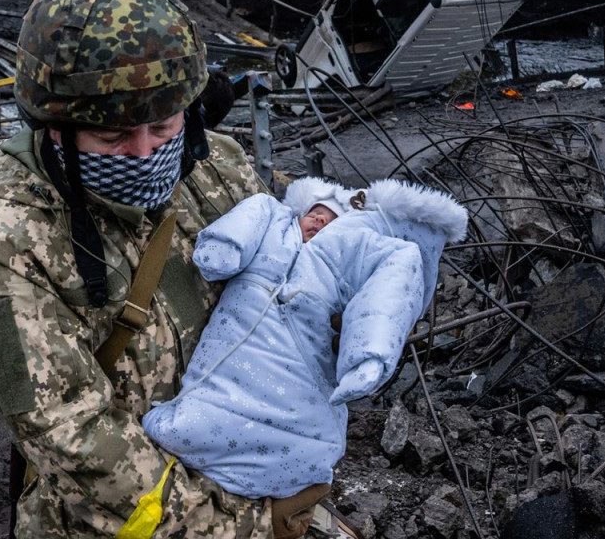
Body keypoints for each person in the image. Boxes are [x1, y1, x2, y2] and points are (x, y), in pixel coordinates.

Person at [0, 0, 346, 539]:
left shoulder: (215, 167)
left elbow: (289, 301)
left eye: (162, 127)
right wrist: (252, 526)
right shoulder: (0, 246)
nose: (143, 152)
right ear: (53, 128)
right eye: (111, 138)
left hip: (257, 482)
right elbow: (79, 449)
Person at [142, 177, 468, 500]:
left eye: (330, 219)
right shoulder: (273, 220)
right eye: (314, 211)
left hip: (302, 361)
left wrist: (370, 354)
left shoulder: (346, 253)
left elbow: (388, 292)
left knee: (306, 423)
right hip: (236, 349)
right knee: (209, 402)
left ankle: (290, 473)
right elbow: (251, 215)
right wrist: (224, 247)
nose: (319, 219)